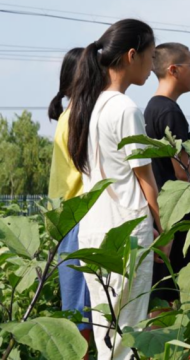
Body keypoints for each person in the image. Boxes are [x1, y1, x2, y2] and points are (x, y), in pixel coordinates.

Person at [68, 19, 170, 360]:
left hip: (94, 231)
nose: (151, 65)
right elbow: (146, 180)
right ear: (131, 55)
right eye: (150, 56)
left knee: (106, 334)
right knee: (128, 335)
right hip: (127, 230)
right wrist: (162, 232)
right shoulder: (126, 109)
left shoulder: (85, 106)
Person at [144, 42, 190, 309]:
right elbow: (183, 171)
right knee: (171, 296)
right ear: (174, 70)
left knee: (160, 296)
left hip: (163, 215)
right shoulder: (170, 112)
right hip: (178, 217)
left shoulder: (151, 108)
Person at [47, 47, 92, 359]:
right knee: (83, 316)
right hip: (79, 218)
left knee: (77, 311)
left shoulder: (67, 115)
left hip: (66, 221)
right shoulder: (78, 118)